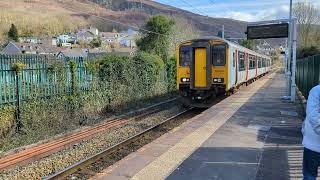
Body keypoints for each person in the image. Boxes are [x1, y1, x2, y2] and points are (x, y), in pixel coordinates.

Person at [302, 85, 320, 180]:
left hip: (313, 144)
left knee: (309, 176)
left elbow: (313, 116)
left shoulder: (316, 90)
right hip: (312, 144)